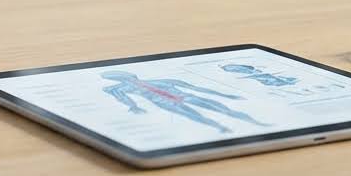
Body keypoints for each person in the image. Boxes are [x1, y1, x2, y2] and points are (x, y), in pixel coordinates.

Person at [101, 71, 270, 134]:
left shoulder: (165, 79)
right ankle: (221, 128)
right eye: (121, 79)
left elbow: (197, 88)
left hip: (186, 97)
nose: (128, 81)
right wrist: (133, 106)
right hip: (167, 103)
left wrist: (226, 96)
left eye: (127, 77)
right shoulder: (119, 89)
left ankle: (254, 123)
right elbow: (122, 97)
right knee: (196, 118)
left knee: (225, 110)